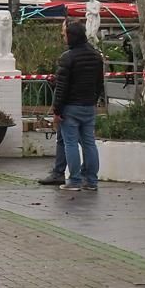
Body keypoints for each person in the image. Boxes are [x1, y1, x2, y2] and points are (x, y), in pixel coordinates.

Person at [53, 19, 105, 193]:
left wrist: (57, 110)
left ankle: (74, 180)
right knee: (89, 143)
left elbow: (61, 87)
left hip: (70, 107)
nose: (63, 37)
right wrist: (93, 100)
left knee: (71, 143)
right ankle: (91, 181)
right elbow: (99, 83)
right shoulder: (97, 56)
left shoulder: (67, 58)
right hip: (88, 105)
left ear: (71, 36)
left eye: (64, 35)